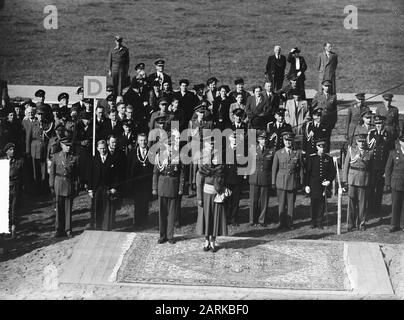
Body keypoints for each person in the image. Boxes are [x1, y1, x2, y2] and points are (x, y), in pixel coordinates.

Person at [196, 137, 229, 252]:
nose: (215, 159)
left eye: (217, 157)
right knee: (206, 218)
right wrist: (199, 198)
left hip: (217, 197)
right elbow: (199, 183)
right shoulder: (203, 168)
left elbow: (224, 182)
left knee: (215, 219)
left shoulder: (221, 169)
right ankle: (206, 241)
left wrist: (224, 189)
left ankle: (213, 241)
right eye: (213, 157)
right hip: (206, 196)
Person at [152, 134, 185, 244]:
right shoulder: (159, 156)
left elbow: (182, 174)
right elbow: (155, 173)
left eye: (172, 145)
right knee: (162, 213)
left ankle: (170, 236)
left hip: (173, 186)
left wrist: (181, 188)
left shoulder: (178, 157)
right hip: (162, 186)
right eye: (168, 145)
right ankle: (162, 235)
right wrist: (154, 188)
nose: (170, 147)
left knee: (171, 214)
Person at [272, 132, 304, 230]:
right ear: (283, 141)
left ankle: (290, 223)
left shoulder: (297, 153)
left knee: (291, 204)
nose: (288, 142)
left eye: (290, 140)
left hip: (292, 181)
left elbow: (301, 169)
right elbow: (274, 169)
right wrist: (273, 182)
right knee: (281, 204)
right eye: (286, 140)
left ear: (292, 141)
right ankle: (281, 223)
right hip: (281, 181)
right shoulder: (278, 153)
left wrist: (301, 181)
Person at [342, 134, 373, 231]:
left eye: (363, 141)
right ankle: (350, 224)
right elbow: (346, 166)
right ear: (356, 142)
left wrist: (370, 181)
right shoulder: (351, 150)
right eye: (360, 141)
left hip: (364, 180)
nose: (362, 143)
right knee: (351, 203)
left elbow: (371, 168)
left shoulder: (369, 152)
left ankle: (361, 224)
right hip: (352, 179)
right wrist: (344, 181)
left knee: (362, 204)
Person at [49, 137, 79, 237]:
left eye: (70, 146)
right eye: (67, 146)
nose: (69, 148)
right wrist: (51, 184)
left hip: (68, 183)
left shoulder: (73, 158)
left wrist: (76, 186)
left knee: (68, 208)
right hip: (58, 182)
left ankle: (68, 229)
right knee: (59, 207)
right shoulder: (56, 156)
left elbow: (76, 174)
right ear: (62, 145)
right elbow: (52, 172)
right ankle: (58, 229)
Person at [305, 138, 336, 228]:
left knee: (321, 204)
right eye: (320, 147)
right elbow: (308, 172)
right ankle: (313, 222)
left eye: (323, 147)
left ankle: (319, 222)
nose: (322, 149)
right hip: (313, 185)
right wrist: (306, 185)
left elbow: (332, 172)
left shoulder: (328, 159)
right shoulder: (312, 158)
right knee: (313, 204)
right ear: (317, 147)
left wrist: (329, 180)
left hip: (323, 185)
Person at [88, 140, 118, 231]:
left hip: (108, 187)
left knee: (107, 207)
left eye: (104, 148)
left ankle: (106, 226)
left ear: (107, 147)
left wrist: (114, 187)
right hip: (97, 188)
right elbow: (90, 175)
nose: (103, 150)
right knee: (97, 207)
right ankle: (98, 226)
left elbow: (116, 176)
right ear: (97, 149)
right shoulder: (94, 159)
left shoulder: (112, 159)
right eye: (101, 148)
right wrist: (90, 189)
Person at [127, 133, 153, 228]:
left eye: (145, 140)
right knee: (137, 203)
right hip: (136, 183)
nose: (143, 142)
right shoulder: (133, 153)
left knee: (145, 203)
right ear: (138, 141)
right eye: (141, 140)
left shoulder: (151, 152)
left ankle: (145, 222)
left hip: (147, 182)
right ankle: (137, 222)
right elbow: (129, 169)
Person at [26, 105, 54, 194]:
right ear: (36, 115)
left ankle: (43, 189)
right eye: (39, 114)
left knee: (44, 170)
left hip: (44, 150)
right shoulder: (32, 124)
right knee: (35, 170)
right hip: (34, 150)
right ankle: (36, 189)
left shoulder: (48, 124)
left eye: (42, 114)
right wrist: (28, 151)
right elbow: (28, 138)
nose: (40, 116)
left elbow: (50, 138)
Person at [248, 131, 274, 227]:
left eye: (265, 139)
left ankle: (262, 220)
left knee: (264, 200)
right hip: (254, 177)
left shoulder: (271, 151)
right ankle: (252, 220)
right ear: (258, 140)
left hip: (265, 178)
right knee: (253, 200)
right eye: (262, 139)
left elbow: (271, 166)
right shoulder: (252, 149)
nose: (263, 141)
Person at [368, 116, 392, 218]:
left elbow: (389, 152)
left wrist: (387, 169)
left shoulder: (388, 134)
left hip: (382, 166)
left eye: (380, 124)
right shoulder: (372, 133)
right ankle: (370, 208)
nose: (378, 126)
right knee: (371, 188)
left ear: (383, 124)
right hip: (372, 166)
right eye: (377, 124)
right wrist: (377, 137)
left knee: (379, 189)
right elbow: (369, 147)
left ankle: (377, 209)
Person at [223, 132, 245, 226]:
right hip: (227, 179)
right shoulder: (225, 151)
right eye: (233, 137)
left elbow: (244, 164)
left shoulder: (241, 151)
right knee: (227, 200)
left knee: (236, 201)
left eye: (236, 138)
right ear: (229, 139)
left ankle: (233, 219)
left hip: (237, 179)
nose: (234, 139)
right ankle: (226, 218)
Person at [3, 143, 24, 239]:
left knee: (14, 209)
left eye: (13, 149)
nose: (13, 151)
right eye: (10, 149)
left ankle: (13, 229)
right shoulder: (3, 162)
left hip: (15, 187)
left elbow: (21, 175)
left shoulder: (19, 162)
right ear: (6, 151)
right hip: (5, 187)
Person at [384, 134, 404, 232]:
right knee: (395, 204)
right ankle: (394, 224)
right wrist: (387, 183)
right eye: (403, 141)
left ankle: (402, 224)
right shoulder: (393, 153)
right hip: (396, 182)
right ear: (400, 142)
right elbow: (388, 168)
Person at [311, 80, 337, 153]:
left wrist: (333, 122)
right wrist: (314, 118)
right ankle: (317, 152)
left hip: (328, 122)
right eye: (326, 86)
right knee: (318, 137)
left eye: (329, 86)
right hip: (319, 120)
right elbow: (312, 106)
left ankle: (326, 153)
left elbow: (334, 110)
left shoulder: (333, 96)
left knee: (327, 138)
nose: (327, 88)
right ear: (322, 86)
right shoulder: (318, 95)